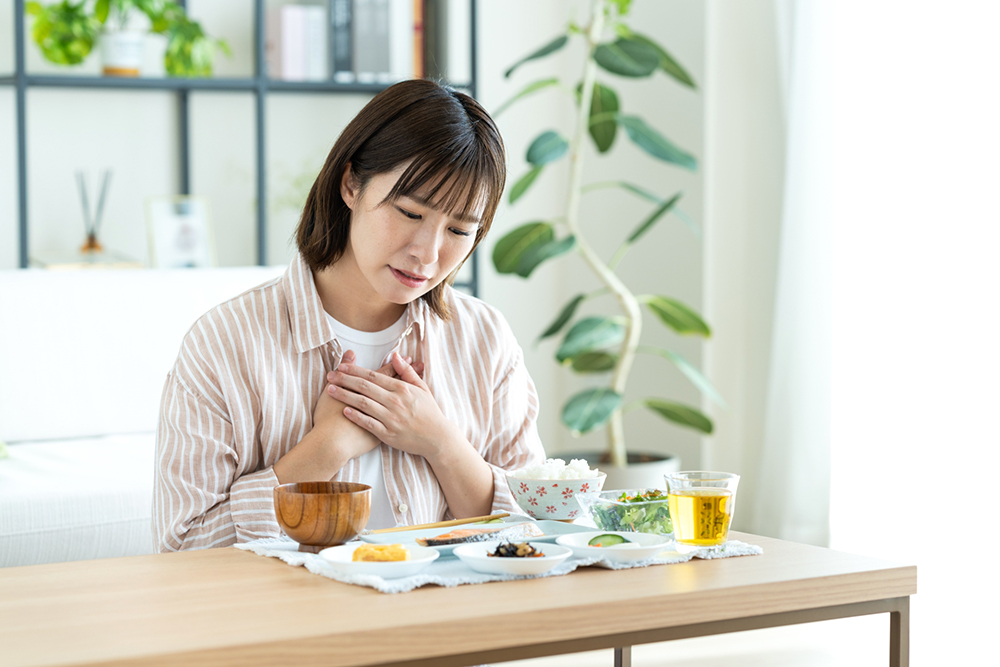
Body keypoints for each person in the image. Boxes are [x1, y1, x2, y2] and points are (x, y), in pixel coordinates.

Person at [153, 79, 545, 551]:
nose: (428, 253)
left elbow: (538, 531)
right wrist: (325, 449)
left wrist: (441, 443)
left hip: (445, 619)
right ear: (351, 184)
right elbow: (181, 548)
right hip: (293, 622)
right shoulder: (226, 343)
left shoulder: (485, 339)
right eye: (410, 213)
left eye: (460, 230)